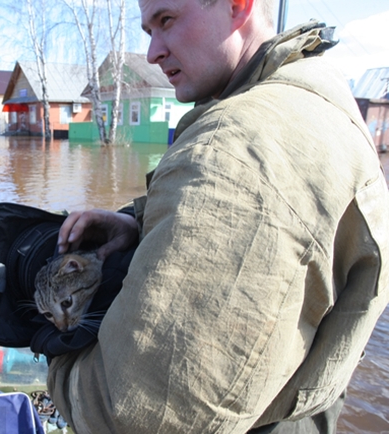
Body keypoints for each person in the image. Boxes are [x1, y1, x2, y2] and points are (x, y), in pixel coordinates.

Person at [44, 0, 389, 432]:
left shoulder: (235, 147)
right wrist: (139, 222)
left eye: (166, 20)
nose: (152, 52)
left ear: (237, 6)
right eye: (148, 31)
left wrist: (53, 351)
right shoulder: (310, 87)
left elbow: (130, 414)